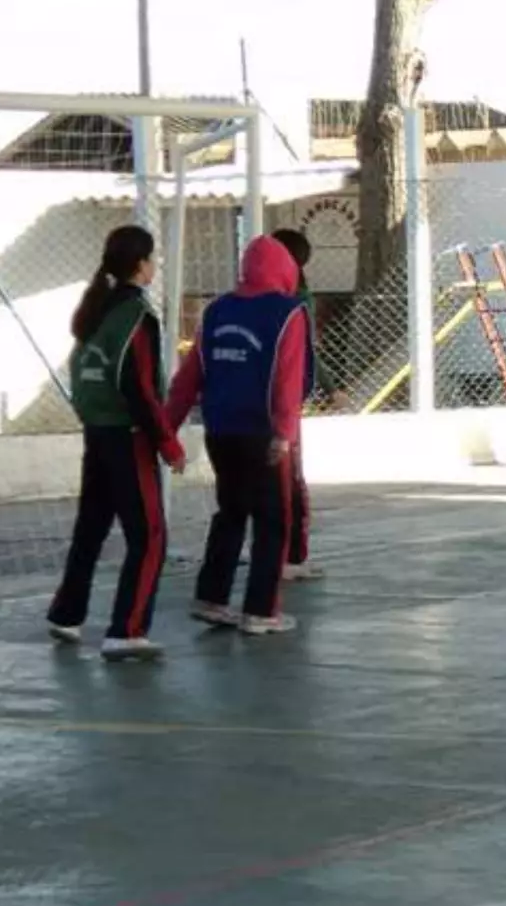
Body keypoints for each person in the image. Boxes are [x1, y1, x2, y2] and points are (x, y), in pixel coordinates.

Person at [46, 224, 186, 661]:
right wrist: (167, 442)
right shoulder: (136, 317)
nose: (155, 265)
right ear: (141, 264)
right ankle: (126, 629)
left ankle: (66, 614)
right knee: (149, 536)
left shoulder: (96, 312)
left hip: (98, 433)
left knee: (91, 527)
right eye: (152, 258)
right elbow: (139, 386)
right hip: (128, 438)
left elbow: (85, 377)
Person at [164, 233, 311, 635]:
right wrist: (284, 432)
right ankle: (262, 610)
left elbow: (190, 375)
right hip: (262, 434)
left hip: (220, 430)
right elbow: (289, 377)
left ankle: (211, 597)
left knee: (230, 512)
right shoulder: (288, 312)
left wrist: (168, 429)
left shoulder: (218, 310)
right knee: (272, 520)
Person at [270, 227, 322, 582]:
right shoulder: (298, 301)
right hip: (284, 402)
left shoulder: (244, 301)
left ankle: (278, 553)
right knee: (289, 481)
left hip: (254, 400)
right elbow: (309, 352)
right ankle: (291, 556)